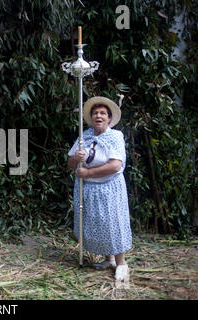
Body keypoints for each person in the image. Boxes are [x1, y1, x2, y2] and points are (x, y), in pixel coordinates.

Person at [67, 96, 132, 282]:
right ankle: (109, 259)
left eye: (103, 113)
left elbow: (115, 165)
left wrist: (88, 173)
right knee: (97, 224)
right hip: (88, 189)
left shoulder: (115, 137)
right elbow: (71, 163)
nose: (99, 116)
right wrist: (76, 157)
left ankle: (122, 263)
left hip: (109, 188)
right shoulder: (84, 136)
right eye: (95, 113)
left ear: (109, 118)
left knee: (113, 223)